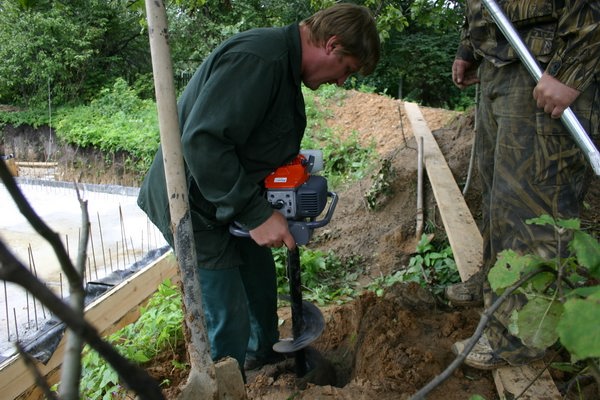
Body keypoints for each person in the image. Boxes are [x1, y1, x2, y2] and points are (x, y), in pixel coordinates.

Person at [137, 3, 380, 377]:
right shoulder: (260, 60)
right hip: (195, 204)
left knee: (261, 287)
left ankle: (263, 363)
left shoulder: (284, 69)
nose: (342, 81)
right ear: (332, 45)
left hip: (231, 201)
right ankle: (224, 382)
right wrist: (255, 214)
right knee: (227, 310)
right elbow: (203, 142)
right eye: (346, 70)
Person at [447, 0, 599, 369]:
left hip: (550, 66)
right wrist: (470, 46)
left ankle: (517, 336)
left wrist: (572, 69)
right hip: (500, 62)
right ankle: (496, 284)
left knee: (531, 205)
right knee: (498, 190)